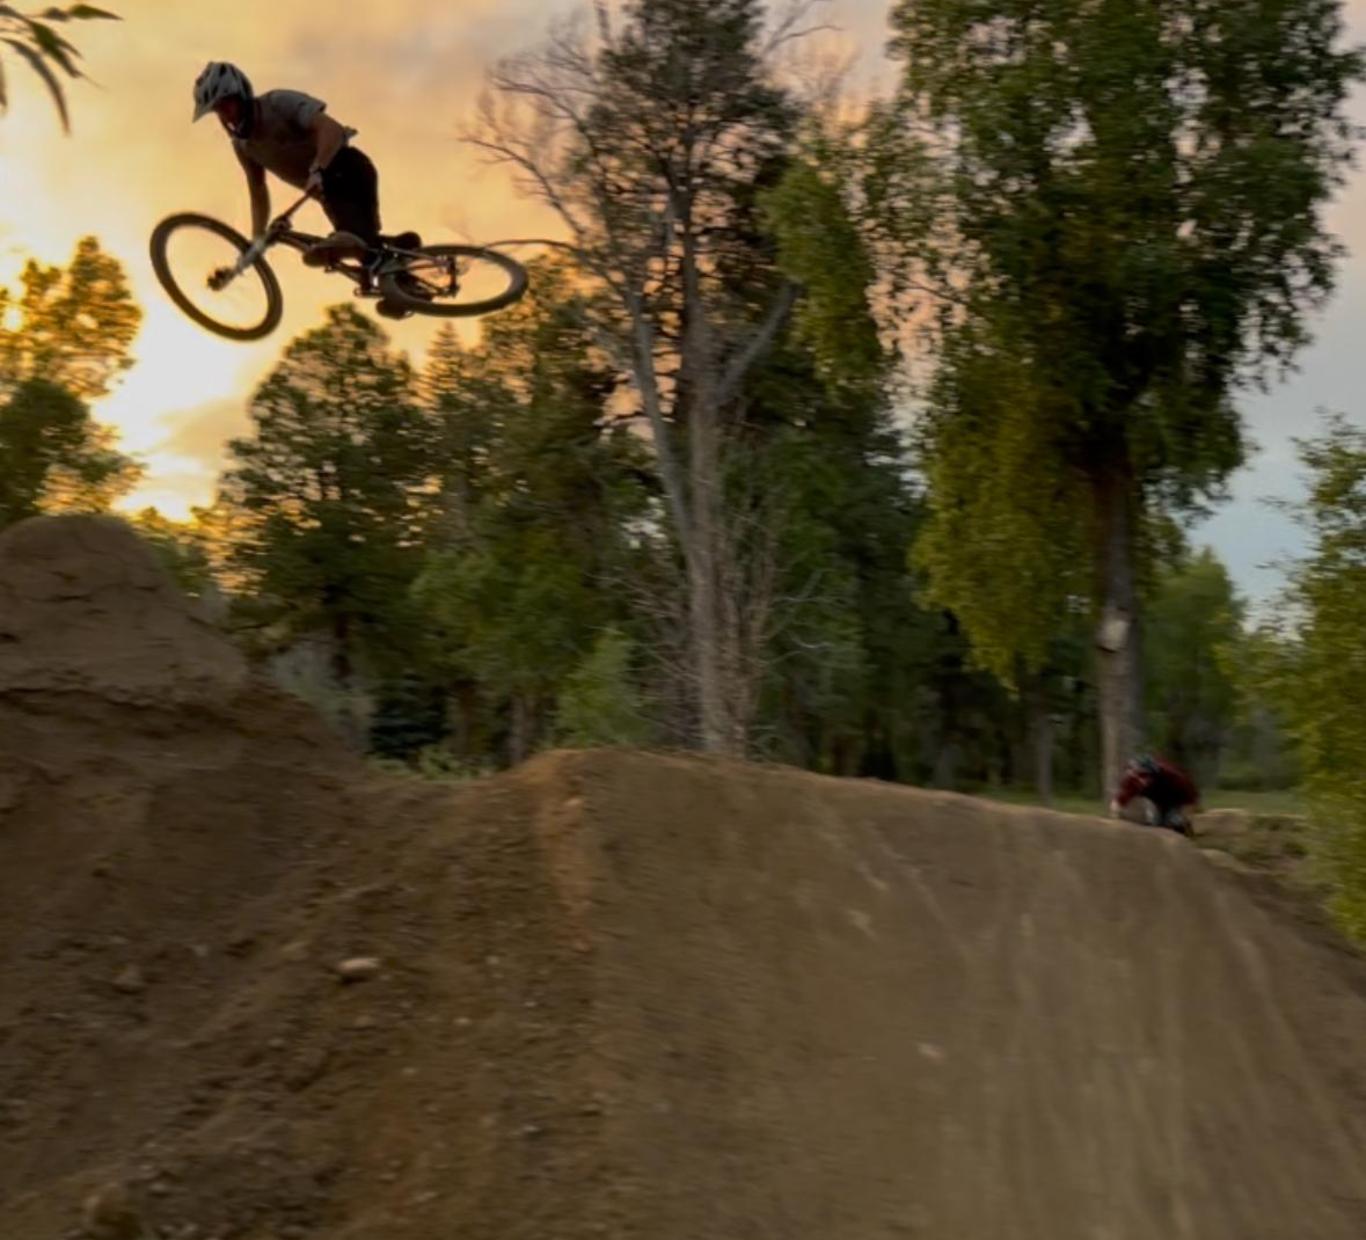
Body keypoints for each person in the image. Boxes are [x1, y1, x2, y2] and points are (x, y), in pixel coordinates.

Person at [192, 61, 419, 319]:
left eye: (226, 104)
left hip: (348, 170)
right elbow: (257, 190)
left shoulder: (277, 103)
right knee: (370, 253)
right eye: (218, 111)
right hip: (329, 196)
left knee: (341, 245)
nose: (225, 115)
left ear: (241, 94)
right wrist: (256, 242)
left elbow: (330, 129)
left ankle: (362, 252)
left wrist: (317, 169)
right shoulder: (243, 146)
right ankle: (405, 281)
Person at [1110, 754, 1199, 837]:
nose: (1142, 781)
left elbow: (1191, 797)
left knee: (1174, 822)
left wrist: (1187, 815)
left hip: (1176, 797)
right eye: (1139, 776)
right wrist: (1115, 821)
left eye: (1145, 775)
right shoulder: (1131, 781)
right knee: (1155, 825)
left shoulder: (1172, 776)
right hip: (1154, 799)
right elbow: (1118, 803)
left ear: (1154, 773)